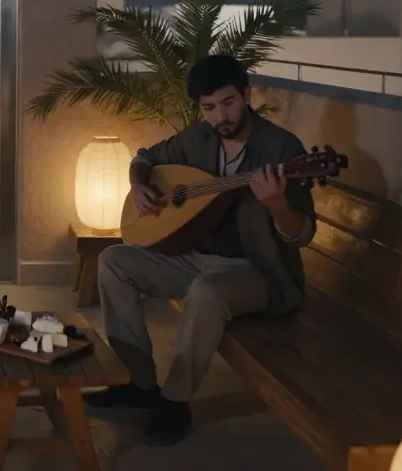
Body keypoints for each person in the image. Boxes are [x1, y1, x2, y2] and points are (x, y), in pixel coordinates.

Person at [83, 54, 316, 446]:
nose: (220, 116)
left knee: (206, 293)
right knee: (113, 261)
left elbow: (302, 234)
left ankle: (176, 401)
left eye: (228, 103)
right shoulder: (199, 139)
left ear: (246, 94)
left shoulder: (282, 149)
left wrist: (278, 205)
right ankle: (140, 384)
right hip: (193, 260)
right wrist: (138, 185)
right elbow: (146, 157)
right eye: (209, 108)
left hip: (255, 272)